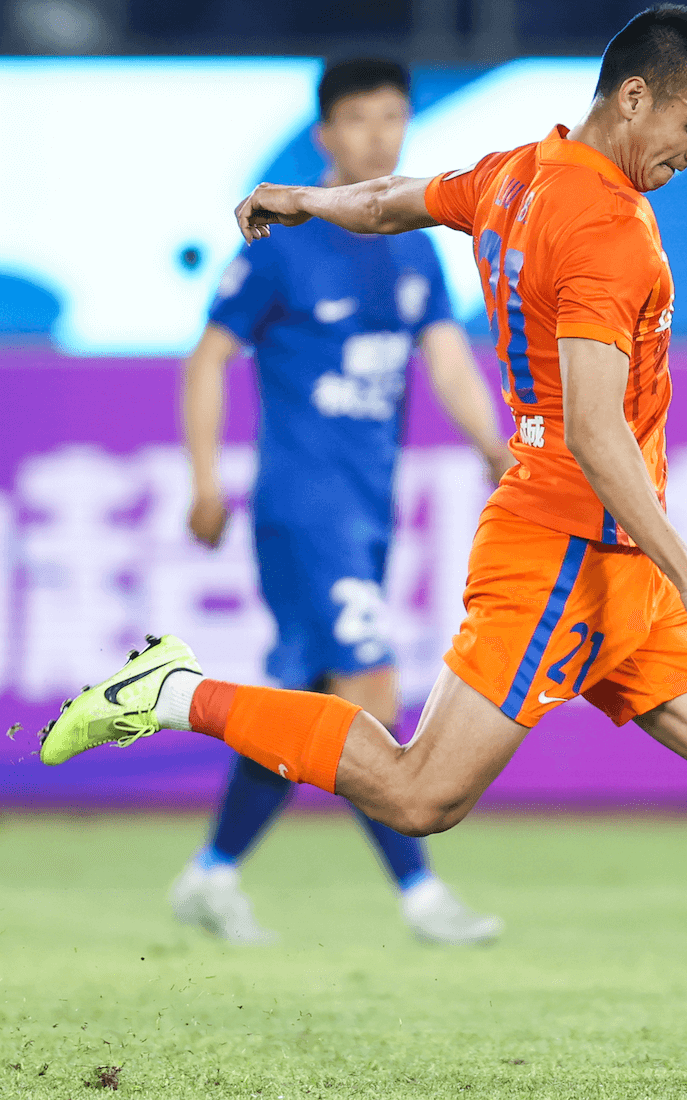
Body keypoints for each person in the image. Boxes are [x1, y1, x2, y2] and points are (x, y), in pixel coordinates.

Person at [41, 7, 687, 1095]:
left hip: (615, 565)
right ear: (634, 96)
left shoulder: (518, 171)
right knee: (419, 792)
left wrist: (307, 199)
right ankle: (174, 689)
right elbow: (595, 431)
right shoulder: (606, 232)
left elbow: (392, 201)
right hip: (561, 554)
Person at [171, 58, 509, 946]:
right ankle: (421, 895)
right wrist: (205, 480)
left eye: (393, 117)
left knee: (306, 698)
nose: (378, 136)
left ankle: (212, 873)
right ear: (325, 135)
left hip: (368, 509)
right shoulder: (283, 243)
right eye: (359, 119)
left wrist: (491, 445)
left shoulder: (414, 243)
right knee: (369, 690)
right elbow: (209, 358)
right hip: (304, 506)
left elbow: (446, 356)